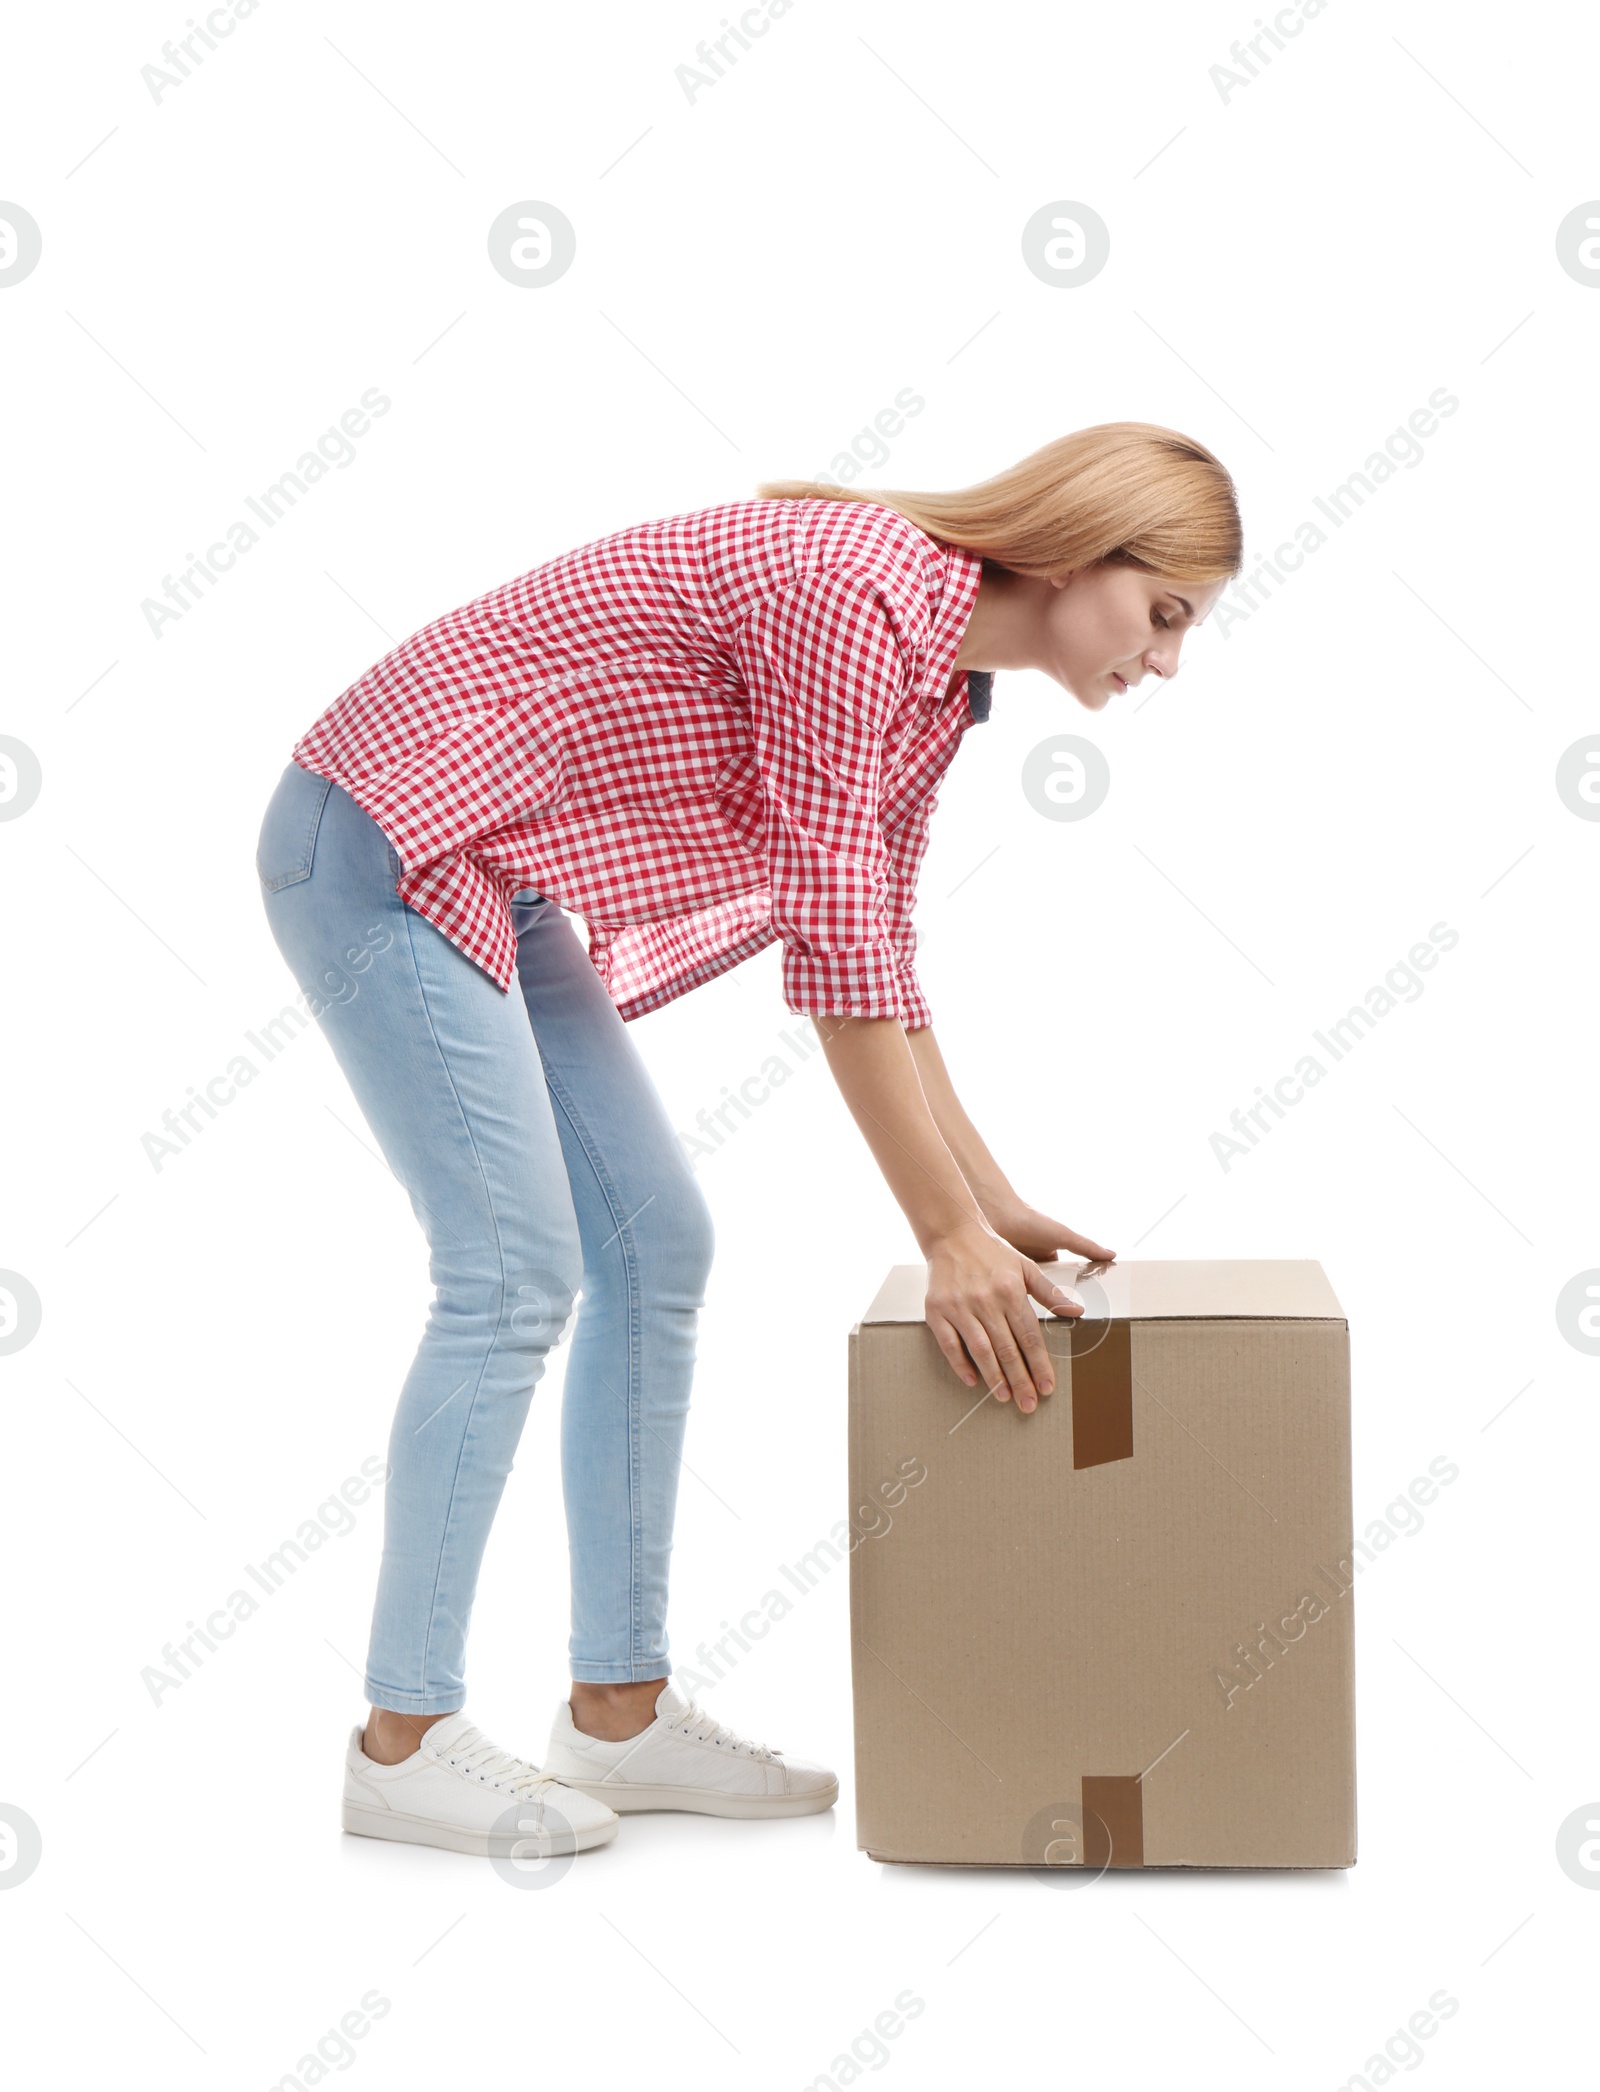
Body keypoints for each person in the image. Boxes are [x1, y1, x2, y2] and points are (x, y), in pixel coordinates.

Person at [254, 420, 1241, 1860]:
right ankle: (401, 1744)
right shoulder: (857, 595)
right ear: (1084, 547)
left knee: (657, 1244)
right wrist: (941, 1235)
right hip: (386, 838)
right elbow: (835, 946)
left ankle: (619, 1711)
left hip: (497, 870)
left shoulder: (940, 681)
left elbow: (876, 942)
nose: (1165, 663)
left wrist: (989, 1198)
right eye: (1164, 615)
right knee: (512, 1269)